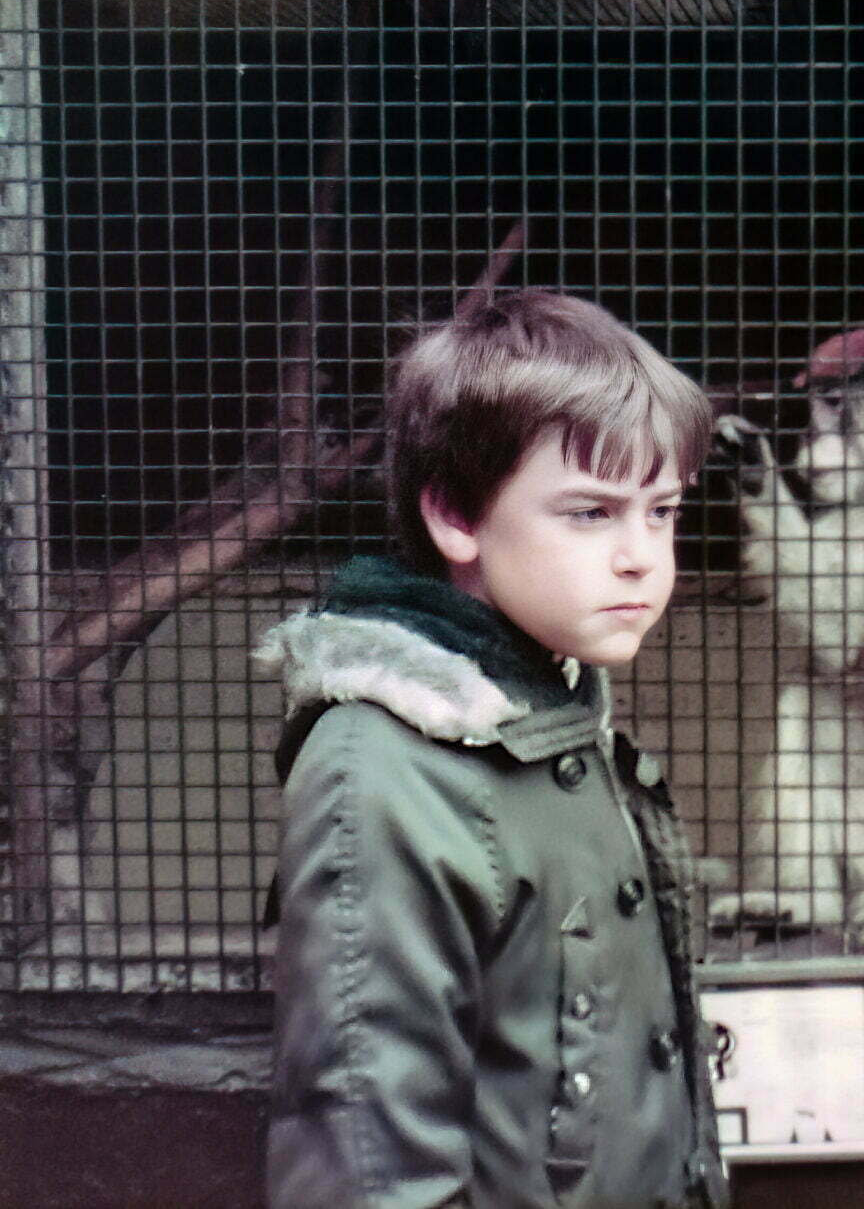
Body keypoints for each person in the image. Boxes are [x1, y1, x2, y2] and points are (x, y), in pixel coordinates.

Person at [256, 289, 729, 1209]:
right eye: (592, 513)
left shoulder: (550, 702)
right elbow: (368, 1173)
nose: (642, 555)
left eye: (663, 511)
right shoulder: (383, 771)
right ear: (457, 516)